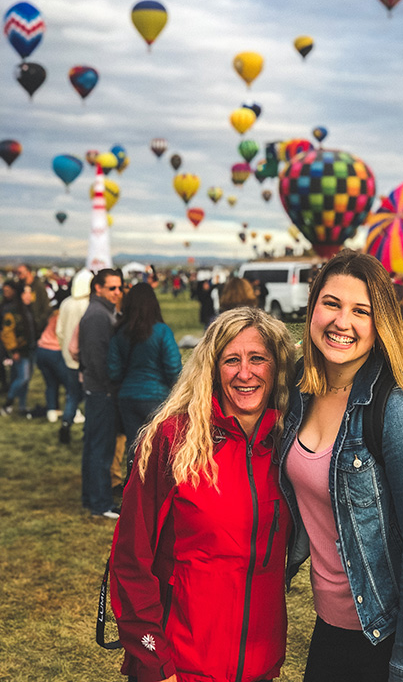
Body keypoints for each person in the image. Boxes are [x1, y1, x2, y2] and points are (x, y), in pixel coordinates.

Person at [279, 250, 403, 682]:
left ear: (380, 322)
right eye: (331, 304)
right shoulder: (299, 389)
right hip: (336, 626)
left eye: (360, 311)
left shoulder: (401, 410)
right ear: (312, 309)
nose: (341, 322)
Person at [110, 307, 295, 682]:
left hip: (259, 665)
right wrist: (154, 661)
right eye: (232, 360)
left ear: (277, 369)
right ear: (212, 368)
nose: (245, 373)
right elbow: (131, 557)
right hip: (180, 666)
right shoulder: (172, 440)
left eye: (258, 359)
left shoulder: (291, 448)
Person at [108, 283, 182, 455]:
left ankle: (133, 481)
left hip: (127, 397)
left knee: (134, 449)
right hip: (158, 397)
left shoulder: (120, 333)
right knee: (159, 450)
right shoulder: (162, 331)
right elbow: (173, 368)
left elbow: (114, 371)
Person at [78, 268, 123, 519]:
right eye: (112, 288)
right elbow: (97, 357)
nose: (117, 292)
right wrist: (109, 387)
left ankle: (92, 498)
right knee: (101, 447)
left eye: (119, 288)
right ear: (98, 288)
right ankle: (100, 503)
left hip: (98, 388)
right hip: (101, 390)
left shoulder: (104, 311)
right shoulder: (98, 315)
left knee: (95, 445)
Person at [56, 268, 93, 444]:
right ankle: (89, 431)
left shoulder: (66, 303)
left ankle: (66, 424)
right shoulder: (90, 305)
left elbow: (59, 331)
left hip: (69, 359)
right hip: (86, 360)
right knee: (89, 396)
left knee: (72, 395)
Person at [0, 280, 36, 417]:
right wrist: (14, 350)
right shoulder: (12, 311)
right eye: (26, 293)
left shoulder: (26, 309)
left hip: (30, 347)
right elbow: (8, 332)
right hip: (21, 349)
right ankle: (8, 403)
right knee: (23, 378)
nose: (29, 296)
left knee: (23, 378)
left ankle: (22, 405)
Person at [35, 291, 70, 423]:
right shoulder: (63, 315)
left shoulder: (53, 315)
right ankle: (71, 412)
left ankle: (52, 411)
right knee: (68, 384)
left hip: (41, 349)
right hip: (54, 350)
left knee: (51, 383)